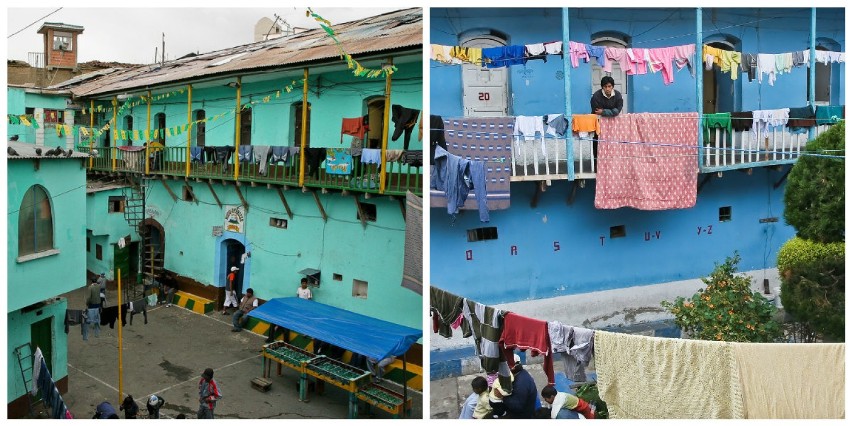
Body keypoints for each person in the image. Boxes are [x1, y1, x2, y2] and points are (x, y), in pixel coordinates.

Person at [590, 75, 624, 162]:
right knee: (598, 144)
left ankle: (612, 163)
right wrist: (611, 112)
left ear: (613, 86)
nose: (607, 89)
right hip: (599, 125)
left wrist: (604, 112)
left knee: (613, 143)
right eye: (605, 86)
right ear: (602, 87)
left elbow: (617, 111)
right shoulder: (596, 97)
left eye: (609, 86)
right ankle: (597, 163)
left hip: (614, 125)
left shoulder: (618, 95)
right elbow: (597, 112)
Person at [502, 353, 538, 419]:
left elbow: (517, 407)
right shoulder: (521, 374)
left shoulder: (521, 383)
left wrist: (502, 396)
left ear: (512, 368)